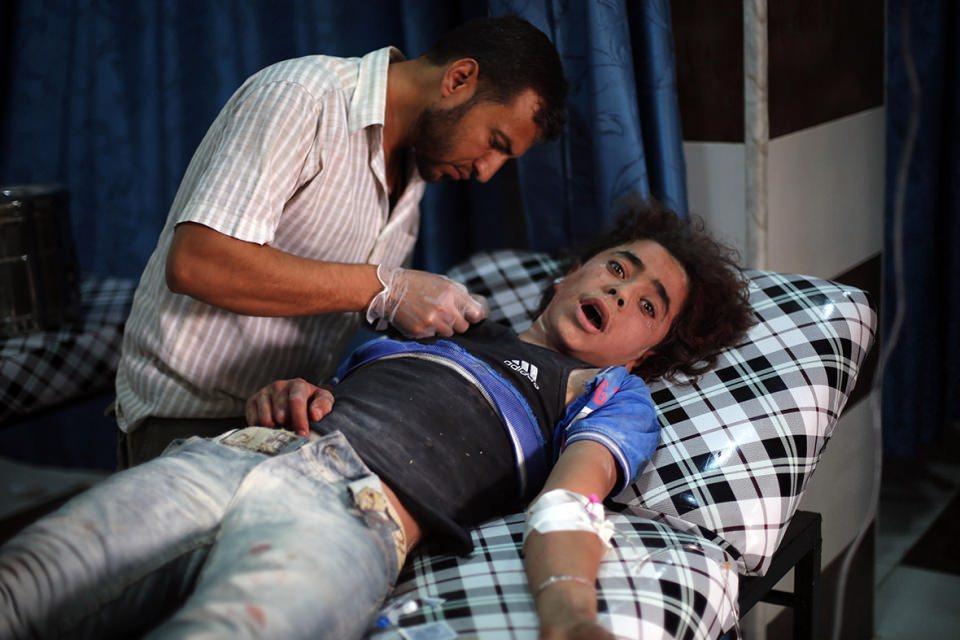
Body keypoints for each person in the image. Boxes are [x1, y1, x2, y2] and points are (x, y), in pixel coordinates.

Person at [1, 202, 755, 639]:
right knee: (27, 579)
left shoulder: (606, 392)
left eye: (648, 304)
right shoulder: (439, 325)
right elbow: (336, 395)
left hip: (351, 518)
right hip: (238, 455)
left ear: (645, 354)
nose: (622, 292)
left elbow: (569, 503)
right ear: (568, 276)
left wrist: (569, 618)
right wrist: (289, 393)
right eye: (618, 267)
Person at [114, 15, 568, 468]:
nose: (487, 171)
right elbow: (198, 263)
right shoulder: (302, 97)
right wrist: (385, 287)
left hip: (284, 415)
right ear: (459, 79)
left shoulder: (416, 163)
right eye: (495, 142)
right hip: (187, 421)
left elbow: (343, 298)